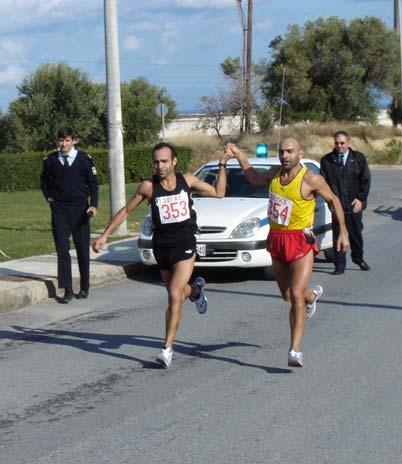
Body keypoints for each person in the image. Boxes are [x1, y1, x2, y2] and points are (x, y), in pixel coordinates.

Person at [92, 142, 232, 368]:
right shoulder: (148, 186)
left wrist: (223, 164)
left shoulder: (187, 181)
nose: (160, 166)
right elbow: (126, 210)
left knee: (174, 295)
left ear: (174, 162)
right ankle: (196, 290)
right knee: (176, 292)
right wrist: (105, 235)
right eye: (156, 162)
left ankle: (167, 348)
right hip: (162, 247)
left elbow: (219, 192)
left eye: (164, 161)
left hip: (185, 245)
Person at [227, 138, 349, 368]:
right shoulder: (273, 174)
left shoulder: (311, 179)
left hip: (300, 240)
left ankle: (295, 350)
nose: (285, 155)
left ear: (299, 153)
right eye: (282, 151)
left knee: (295, 294)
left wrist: (342, 231)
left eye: (290, 151)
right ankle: (311, 297)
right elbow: (253, 178)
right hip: (277, 239)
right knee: (287, 295)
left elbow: (333, 200)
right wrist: (238, 155)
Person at [41, 127, 99, 303]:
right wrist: (50, 200)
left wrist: (93, 205)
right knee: (62, 250)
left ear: (74, 141)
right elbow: (44, 182)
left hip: (80, 210)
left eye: (67, 140)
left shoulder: (84, 159)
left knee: (82, 249)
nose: (63, 144)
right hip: (59, 210)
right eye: (60, 140)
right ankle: (67, 289)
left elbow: (93, 184)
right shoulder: (50, 160)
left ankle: (84, 286)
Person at [319, 131, 371, 275]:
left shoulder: (358, 158)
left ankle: (358, 258)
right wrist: (329, 201)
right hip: (337, 206)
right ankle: (339, 265)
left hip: (354, 205)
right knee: (338, 235)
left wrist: (361, 198)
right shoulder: (327, 161)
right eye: (337, 143)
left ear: (348, 143)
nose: (339, 146)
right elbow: (324, 184)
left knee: (355, 234)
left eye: (342, 143)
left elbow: (365, 180)